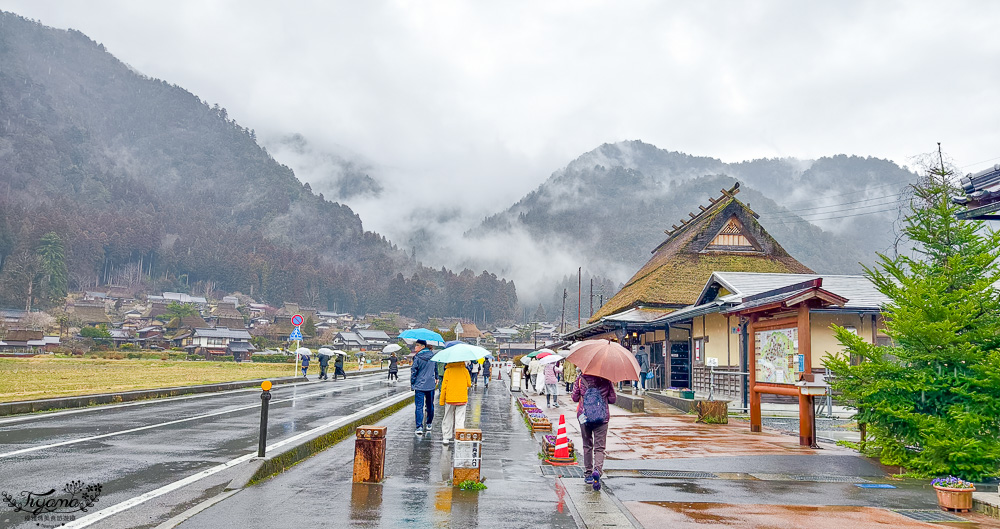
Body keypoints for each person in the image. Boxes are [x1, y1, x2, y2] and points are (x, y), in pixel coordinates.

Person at [572, 373, 617, 492]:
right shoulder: (606, 379)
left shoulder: (581, 379)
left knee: (587, 445)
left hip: (584, 416)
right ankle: (597, 470)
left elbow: (574, 398)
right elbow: (613, 399)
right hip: (602, 418)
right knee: (599, 448)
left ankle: (588, 474)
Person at [439, 360, 471, 445]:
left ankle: (446, 437)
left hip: (450, 398)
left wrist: (442, 400)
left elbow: (444, 387)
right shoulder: (464, 370)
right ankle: (459, 436)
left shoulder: (448, 371)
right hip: (462, 398)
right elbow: (469, 383)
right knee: (460, 419)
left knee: (448, 417)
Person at [410, 340, 438, 435]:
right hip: (430, 384)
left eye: (417, 346)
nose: (415, 348)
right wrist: (436, 377)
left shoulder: (417, 357)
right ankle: (429, 423)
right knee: (430, 405)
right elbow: (435, 368)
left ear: (422, 346)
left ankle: (419, 427)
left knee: (419, 406)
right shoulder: (433, 356)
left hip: (419, 385)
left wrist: (412, 383)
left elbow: (414, 371)